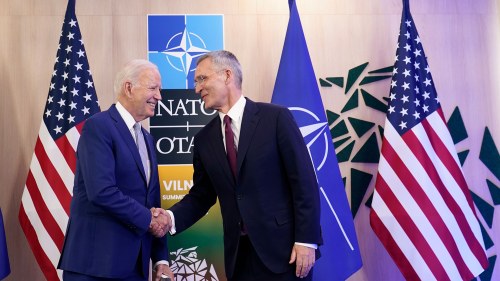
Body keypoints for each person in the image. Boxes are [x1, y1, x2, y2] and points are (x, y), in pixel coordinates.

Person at [163, 50, 322, 281]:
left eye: (202, 79)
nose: (197, 89)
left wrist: (306, 240)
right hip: (239, 259)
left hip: (286, 253)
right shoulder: (203, 140)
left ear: (227, 75)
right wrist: (169, 218)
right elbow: (201, 196)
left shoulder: (275, 118)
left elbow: (304, 182)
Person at [57, 59, 174, 281]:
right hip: (96, 266)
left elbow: (153, 202)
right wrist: (149, 220)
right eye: (153, 88)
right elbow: (101, 191)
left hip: (136, 268)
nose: (159, 96)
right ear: (129, 88)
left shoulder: (147, 139)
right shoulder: (98, 126)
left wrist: (161, 259)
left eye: (159, 89)